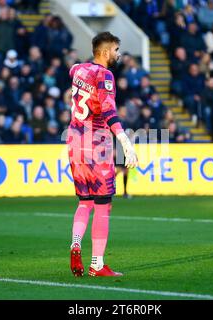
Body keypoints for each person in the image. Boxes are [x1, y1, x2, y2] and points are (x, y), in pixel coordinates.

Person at [67, 32, 138, 277]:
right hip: (96, 144)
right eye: (116, 49)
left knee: (84, 202)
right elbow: (108, 111)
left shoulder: (77, 70)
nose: (119, 54)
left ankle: (75, 243)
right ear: (106, 52)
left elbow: (73, 69)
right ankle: (97, 264)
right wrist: (125, 141)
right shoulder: (105, 75)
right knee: (103, 205)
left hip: (74, 141)